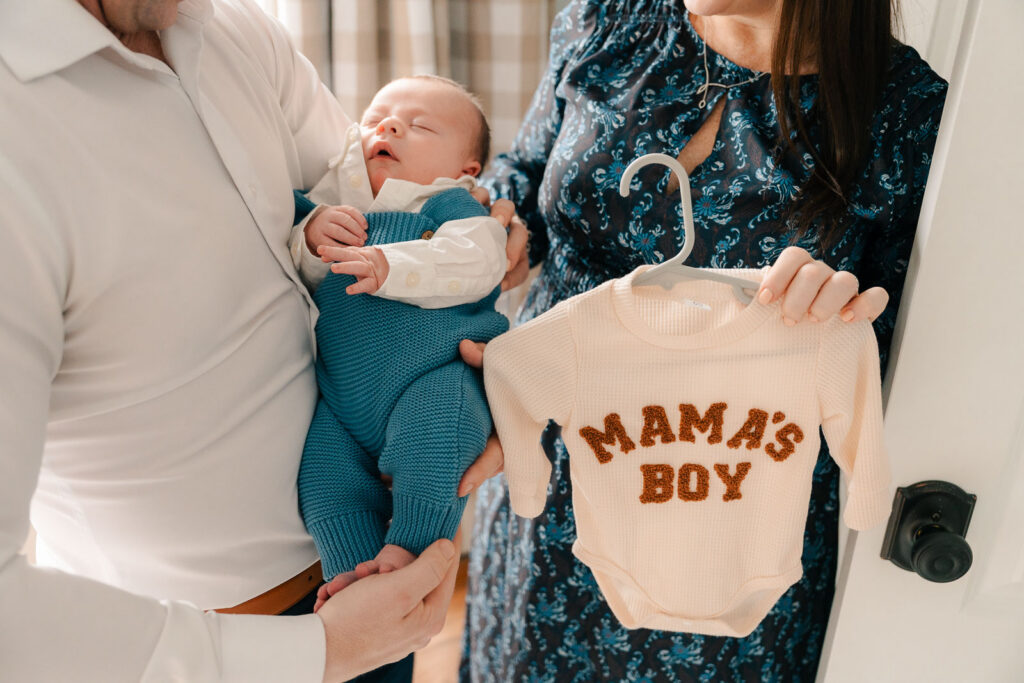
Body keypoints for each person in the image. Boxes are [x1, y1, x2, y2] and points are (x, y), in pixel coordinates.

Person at [0, 1, 527, 681]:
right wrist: (314, 653)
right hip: (208, 649)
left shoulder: (227, 31)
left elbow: (362, 188)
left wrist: (483, 233)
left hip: (370, 583)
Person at [460, 0, 947, 681]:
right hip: (550, 467)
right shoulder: (606, 20)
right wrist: (496, 221)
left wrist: (843, 308)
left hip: (727, 512)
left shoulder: (907, 116)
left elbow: (913, 349)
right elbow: (529, 168)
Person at [291, 75, 509, 600]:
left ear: (466, 171)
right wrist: (310, 233)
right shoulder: (333, 203)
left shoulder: (450, 208)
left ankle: (409, 551)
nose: (388, 126)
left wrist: (391, 264)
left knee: (433, 448)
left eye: (420, 126)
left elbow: (482, 261)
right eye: (375, 120)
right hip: (342, 404)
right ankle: (351, 570)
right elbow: (292, 260)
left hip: (433, 379)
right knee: (322, 482)